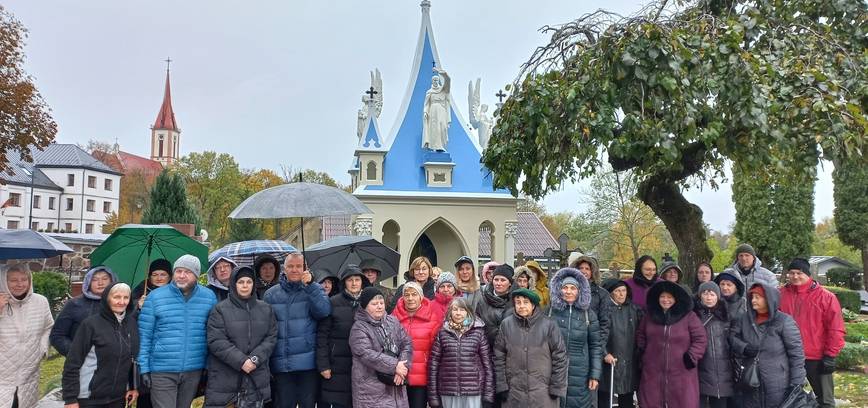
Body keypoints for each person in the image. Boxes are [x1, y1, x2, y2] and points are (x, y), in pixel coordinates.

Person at [138, 254, 217, 408]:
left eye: (187, 272)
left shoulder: (209, 297)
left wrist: (208, 365)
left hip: (194, 369)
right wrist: (144, 368)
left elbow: (213, 334)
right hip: (162, 369)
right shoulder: (155, 297)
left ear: (196, 275)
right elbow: (144, 335)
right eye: (178, 271)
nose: (181, 276)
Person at [264, 251, 331, 408]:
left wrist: (312, 286)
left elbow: (324, 311)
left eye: (299, 266)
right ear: (284, 269)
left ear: (305, 268)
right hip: (282, 363)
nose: (295, 270)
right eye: (290, 266)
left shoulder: (314, 290)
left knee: (307, 404)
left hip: (307, 364)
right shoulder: (270, 295)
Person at [204, 266, 277, 408]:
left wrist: (255, 359)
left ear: (254, 284)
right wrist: (242, 361)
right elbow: (216, 340)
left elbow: (271, 337)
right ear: (233, 284)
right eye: (240, 282)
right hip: (226, 381)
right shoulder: (220, 309)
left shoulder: (266, 309)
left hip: (256, 379)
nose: (245, 285)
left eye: (249, 282)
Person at [779, 258, 845, 408]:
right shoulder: (780, 295)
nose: (795, 276)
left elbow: (835, 328)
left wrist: (830, 355)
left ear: (808, 275)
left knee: (825, 400)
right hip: (786, 356)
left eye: (799, 273)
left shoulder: (826, 297)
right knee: (786, 397)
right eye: (792, 273)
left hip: (816, 357)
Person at [62, 282, 139, 408]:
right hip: (90, 397)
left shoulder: (131, 324)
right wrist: (70, 398)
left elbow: (132, 358)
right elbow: (73, 362)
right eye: (117, 297)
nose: (121, 302)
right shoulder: (91, 325)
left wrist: (132, 386)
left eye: (126, 298)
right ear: (107, 299)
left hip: (118, 398)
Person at [730, 284, 806, 408]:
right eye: (752, 297)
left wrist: (797, 382)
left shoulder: (784, 321)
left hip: (777, 381)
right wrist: (744, 347)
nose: (753, 300)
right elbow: (732, 338)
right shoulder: (744, 319)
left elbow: (796, 355)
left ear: (769, 299)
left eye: (757, 297)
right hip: (750, 378)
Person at [636, 281, 707, 408]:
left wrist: (691, 356)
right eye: (662, 297)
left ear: (675, 299)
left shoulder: (689, 316)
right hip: (653, 372)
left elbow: (700, 339)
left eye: (669, 297)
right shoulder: (649, 317)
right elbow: (641, 335)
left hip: (682, 372)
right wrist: (643, 353)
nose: (665, 300)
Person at [494, 288, 567, 408]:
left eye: (526, 302)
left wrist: (556, 387)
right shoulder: (506, 325)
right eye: (518, 302)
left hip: (543, 393)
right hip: (514, 393)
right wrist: (502, 385)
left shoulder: (549, 325)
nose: (522, 306)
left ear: (533, 305)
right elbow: (498, 356)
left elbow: (560, 357)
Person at [316, 264, 371, 408]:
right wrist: (323, 365)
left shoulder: (369, 303)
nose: (354, 283)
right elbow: (322, 336)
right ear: (344, 282)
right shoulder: (333, 302)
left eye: (357, 280)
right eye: (350, 280)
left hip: (363, 366)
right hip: (337, 365)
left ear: (362, 282)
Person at [547, 268, 603, 408]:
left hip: (580, 372)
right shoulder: (548, 312)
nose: (569, 291)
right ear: (559, 290)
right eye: (565, 287)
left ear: (579, 291)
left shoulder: (588, 315)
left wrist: (594, 375)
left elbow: (595, 346)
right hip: (553, 369)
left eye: (573, 288)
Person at [349, 287, 412, 408]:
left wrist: (402, 366)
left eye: (381, 303)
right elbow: (366, 354)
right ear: (365, 306)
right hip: (371, 389)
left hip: (396, 385)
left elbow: (406, 343)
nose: (379, 306)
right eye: (374, 304)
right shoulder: (359, 328)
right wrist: (395, 366)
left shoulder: (392, 321)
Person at [0, 265, 54, 408]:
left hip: (28, 376)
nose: (20, 284)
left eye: (24, 279)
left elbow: (48, 327)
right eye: (13, 280)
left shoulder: (40, 302)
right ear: (4, 281)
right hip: (2, 377)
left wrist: (42, 349)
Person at [428, 298, 495, 408]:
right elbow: (433, 365)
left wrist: (488, 394)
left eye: (462, 310)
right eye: (455, 310)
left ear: (468, 312)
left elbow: (487, 365)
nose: (458, 313)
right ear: (450, 312)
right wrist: (433, 396)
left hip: (473, 391)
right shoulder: (442, 333)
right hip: (448, 390)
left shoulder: (478, 332)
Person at [392, 282, 444, 408]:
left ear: (421, 297)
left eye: (414, 294)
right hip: (397, 376)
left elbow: (436, 350)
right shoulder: (393, 317)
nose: (410, 298)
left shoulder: (432, 318)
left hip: (421, 378)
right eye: (407, 295)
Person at [51, 265, 117, 356]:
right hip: (81, 364)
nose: (100, 283)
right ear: (88, 282)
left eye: (105, 279)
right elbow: (57, 335)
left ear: (112, 280)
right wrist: (76, 353)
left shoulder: (121, 303)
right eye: (95, 279)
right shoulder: (74, 304)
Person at [598, 280, 641, 408]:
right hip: (609, 360)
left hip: (629, 360)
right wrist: (604, 353)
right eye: (617, 291)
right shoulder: (604, 310)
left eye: (623, 291)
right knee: (605, 395)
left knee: (627, 394)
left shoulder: (634, 310)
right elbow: (599, 334)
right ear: (611, 293)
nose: (621, 294)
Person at [693, 282, 733, 408]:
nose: (709, 297)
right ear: (700, 296)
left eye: (712, 294)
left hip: (723, 371)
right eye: (705, 293)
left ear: (718, 296)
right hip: (700, 369)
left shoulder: (726, 316)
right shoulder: (693, 316)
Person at [476, 264, 514, 349]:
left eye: (503, 280)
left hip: (507, 348)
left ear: (510, 283)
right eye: (496, 279)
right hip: (484, 346)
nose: (498, 283)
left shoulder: (516, 300)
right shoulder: (481, 298)